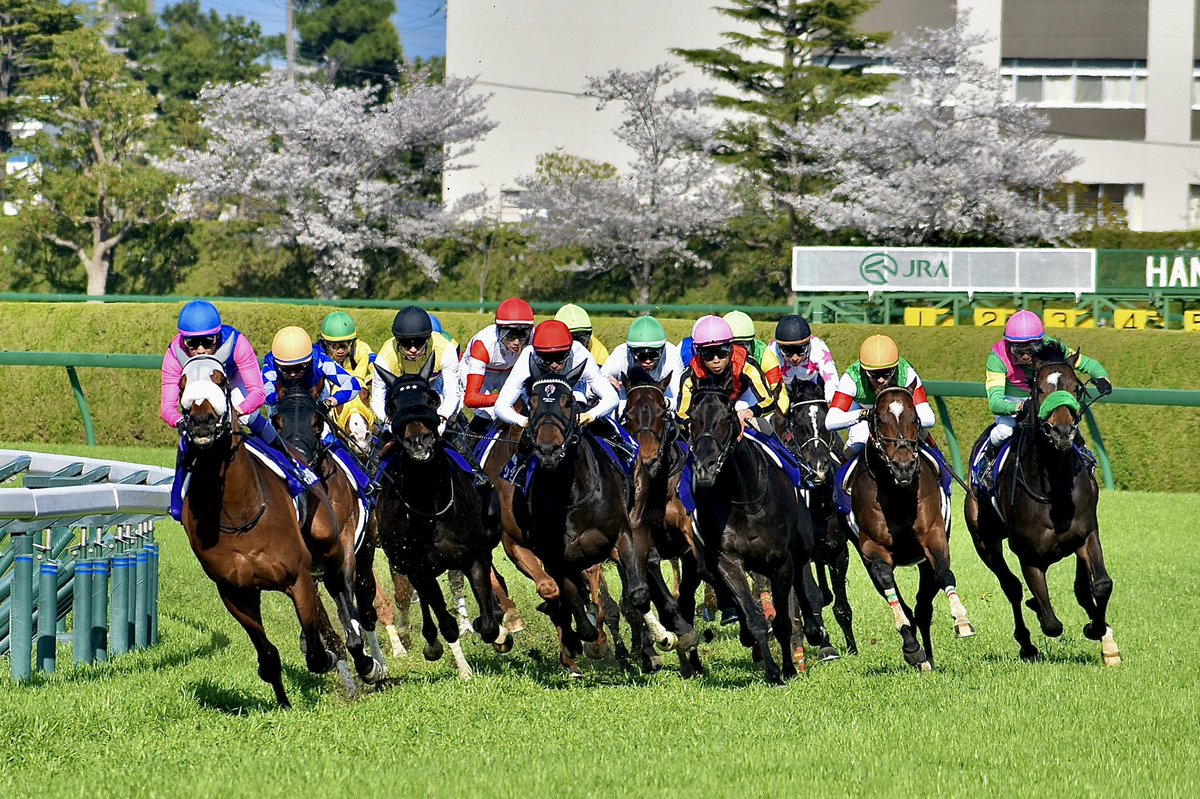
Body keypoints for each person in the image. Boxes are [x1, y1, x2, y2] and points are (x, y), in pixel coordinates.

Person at [160, 301, 308, 515]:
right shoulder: (175, 353)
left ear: (217, 337)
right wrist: (180, 421)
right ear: (183, 341)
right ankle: (177, 500)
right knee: (190, 429)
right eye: (192, 343)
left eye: (207, 342)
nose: (200, 350)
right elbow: (167, 406)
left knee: (250, 418)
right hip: (198, 388)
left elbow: (258, 392)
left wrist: (237, 411)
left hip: (231, 380)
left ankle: (292, 469)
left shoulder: (237, 343)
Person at [975, 310, 1113, 488]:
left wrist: (1102, 377)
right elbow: (995, 403)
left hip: (1043, 398)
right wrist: (1020, 407)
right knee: (1005, 431)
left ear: (1040, 343)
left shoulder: (1050, 346)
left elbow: (1086, 363)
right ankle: (987, 460)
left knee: (1064, 423)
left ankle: (1082, 451)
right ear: (1009, 345)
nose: (1025, 356)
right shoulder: (998, 357)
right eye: (1018, 350)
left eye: (1031, 350)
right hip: (1011, 400)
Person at [825, 334, 935, 455]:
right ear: (864, 370)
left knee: (921, 433)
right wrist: (866, 414)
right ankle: (844, 464)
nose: (881, 380)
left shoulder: (907, 373)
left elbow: (929, 419)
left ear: (895, 368)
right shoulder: (851, 378)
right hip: (862, 407)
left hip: (898, 412)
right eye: (874, 374)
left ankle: (943, 464)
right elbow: (830, 422)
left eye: (886, 373)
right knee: (859, 440)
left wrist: (901, 418)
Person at [676, 316, 777, 431]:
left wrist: (751, 411)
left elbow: (769, 401)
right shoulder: (690, 375)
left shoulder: (747, 365)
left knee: (748, 415)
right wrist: (690, 424)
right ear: (699, 353)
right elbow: (680, 413)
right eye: (708, 354)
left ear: (731, 348)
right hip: (708, 406)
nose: (716, 360)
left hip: (742, 399)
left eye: (722, 352)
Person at [372, 306, 463, 430]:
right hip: (400, 392)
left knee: (450, 424)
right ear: (397, 341)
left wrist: (443, 416)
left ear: (428, 339)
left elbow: (452, 393)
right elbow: (377, 399)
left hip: (434, 385)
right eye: (406, 344)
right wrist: (388, 420)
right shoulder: (385, 358)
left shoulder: (445, 350)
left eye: (419, 342)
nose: (413, 350)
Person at [462, 297, 536, 437]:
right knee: (487, 414)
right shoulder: (483, 344)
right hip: (483, 375)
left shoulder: (533, 336)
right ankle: (467, 445)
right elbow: (470, 399)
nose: (517, 342)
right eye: (510, 335)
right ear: (499, 330)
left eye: (522, 335)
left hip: (508, 371)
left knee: (523, 406)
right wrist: (502, 399)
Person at [262, 326, 361, 413]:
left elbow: (353, 385)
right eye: (285, 369)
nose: (292, 374)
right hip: (281, 407)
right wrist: (276, 398)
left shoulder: (319, 359)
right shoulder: (271, 362)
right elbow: (262, 393)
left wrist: (329, 402)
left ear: (309, 361)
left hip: (315, 403)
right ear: (277, 363)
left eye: (299, 368)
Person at [602, 315, 685, 412]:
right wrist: (605, 382)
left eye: (654, 354)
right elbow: (595, 382)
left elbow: (680, 401)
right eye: (642, 356)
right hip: (627, 396)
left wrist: (664, 402)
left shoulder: (672, 355)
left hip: (663, 396)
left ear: (662, 350)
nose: (648, 361)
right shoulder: (620, 355)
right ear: (631, 352)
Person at [318, 310, 376, 431]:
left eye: (344, 345)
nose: (340, 351)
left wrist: (374, 376)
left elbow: (375, 365)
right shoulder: (318, 354)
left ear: (352, 342)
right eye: (334, 346)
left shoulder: (360, 347)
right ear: (325, 343)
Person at [768, 313, 840, 411]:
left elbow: (831, 379)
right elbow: (769, 386)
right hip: (784, 388)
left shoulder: (818, 347)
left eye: (800, 350)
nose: (794, 358)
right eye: (787, 351)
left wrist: (830, 402)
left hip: (811, 386)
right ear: (779, 347)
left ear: (808, 344)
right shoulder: (772, 351)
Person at [723, 310, 782, 387]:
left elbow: (778, 387)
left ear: (751, 342)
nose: (738, 352)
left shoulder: (763, 354)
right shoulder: (713, 357)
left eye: (742, 345)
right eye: (732, 346)